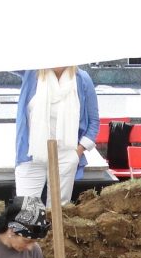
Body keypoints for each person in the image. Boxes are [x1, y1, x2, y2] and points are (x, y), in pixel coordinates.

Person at [14, 66, 100, 206]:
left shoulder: (82, 79)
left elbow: (94, 121)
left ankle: (52, 228)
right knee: (27, 212)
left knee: (57, 212)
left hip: (65, 154)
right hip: (32, 153)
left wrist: (77, 152)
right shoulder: (31, 72)